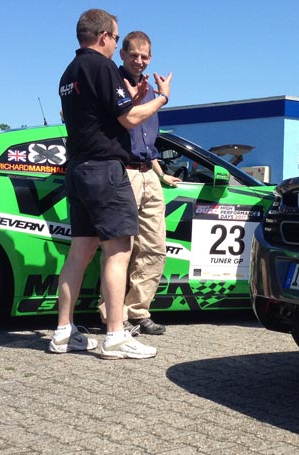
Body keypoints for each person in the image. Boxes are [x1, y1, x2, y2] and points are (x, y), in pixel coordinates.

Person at [52, 9, 172, 359]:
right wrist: (162, 98)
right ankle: (116, 336)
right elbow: (129, 119)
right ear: (104, 36)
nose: (118, 43)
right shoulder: (101, 66)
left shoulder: (69, 71)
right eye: (118, 38)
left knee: (79, 253)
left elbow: (102, 115)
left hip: (78, 168)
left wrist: (134, 99)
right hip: (105, 170)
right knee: (118, 252)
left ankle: (63, 332)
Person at [97, 31, 181, 336]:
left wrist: (160, 172)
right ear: (122, 54)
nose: (139, 61)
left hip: (148, 173)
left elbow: (147, 141)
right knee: (121, 249)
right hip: (122, 172)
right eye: (133, 55)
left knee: (154, 247)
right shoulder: (113, 82)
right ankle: (113, 316)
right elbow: (126, 126)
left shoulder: (149, 88)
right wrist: (164, 96)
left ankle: (138, 311)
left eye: (145, 56)